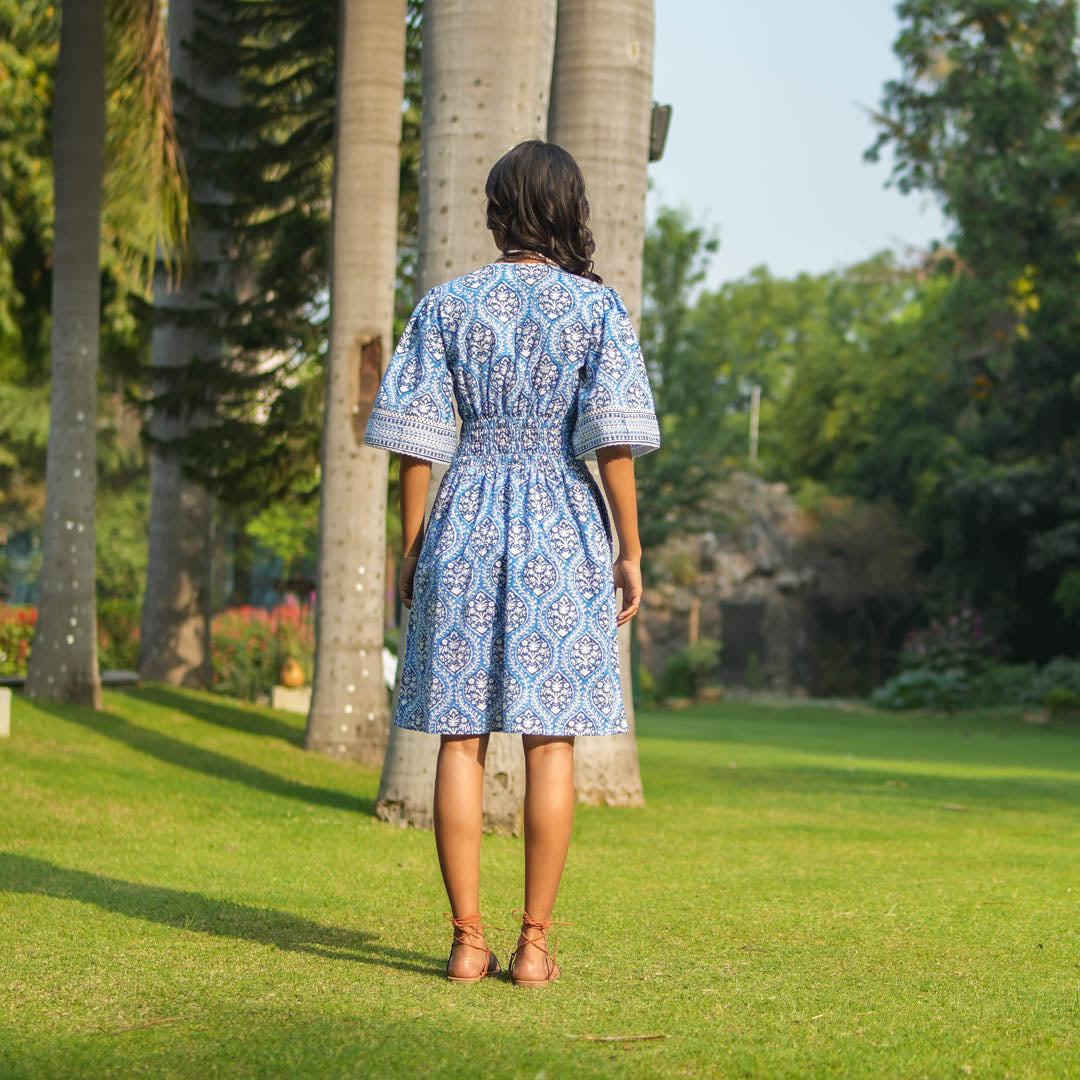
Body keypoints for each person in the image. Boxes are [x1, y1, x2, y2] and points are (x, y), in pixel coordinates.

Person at [364, 139, 660, 987]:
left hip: (464, 515)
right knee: (549, 744)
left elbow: (416, 449)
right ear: (571, 210)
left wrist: (414, 550)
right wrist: (630, 553)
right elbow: (615, 448)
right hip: (563, 528)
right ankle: (532, 947)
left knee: (459, 740)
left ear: (498, 212)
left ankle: (466, 942)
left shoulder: (446, 306)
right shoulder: (597, 312)